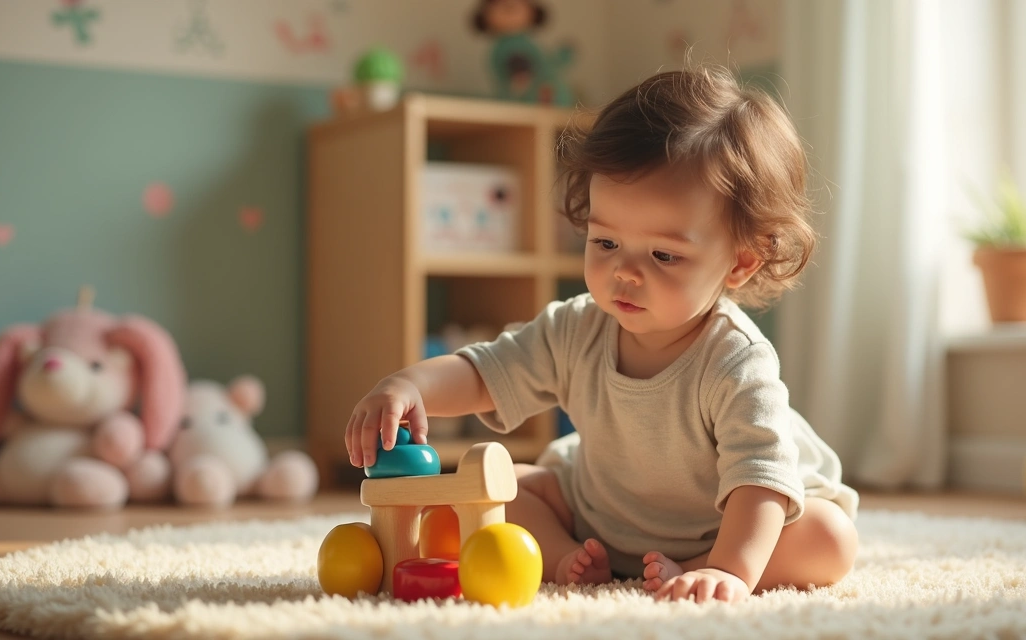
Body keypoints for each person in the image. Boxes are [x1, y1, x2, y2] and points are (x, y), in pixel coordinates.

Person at [345, 65, 859, 604]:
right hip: (598, 516)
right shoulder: (576, 327)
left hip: (727, 527)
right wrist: (409, 386)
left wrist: (729, 571)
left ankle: (693, 567)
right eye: (606, 243)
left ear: (740, 263)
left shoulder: (737, 361)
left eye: (664, 255)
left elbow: (760, 484)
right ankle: (570, 558)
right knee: (502, 486)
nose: (626, 273)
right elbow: (485, 374)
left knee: (830, 539)